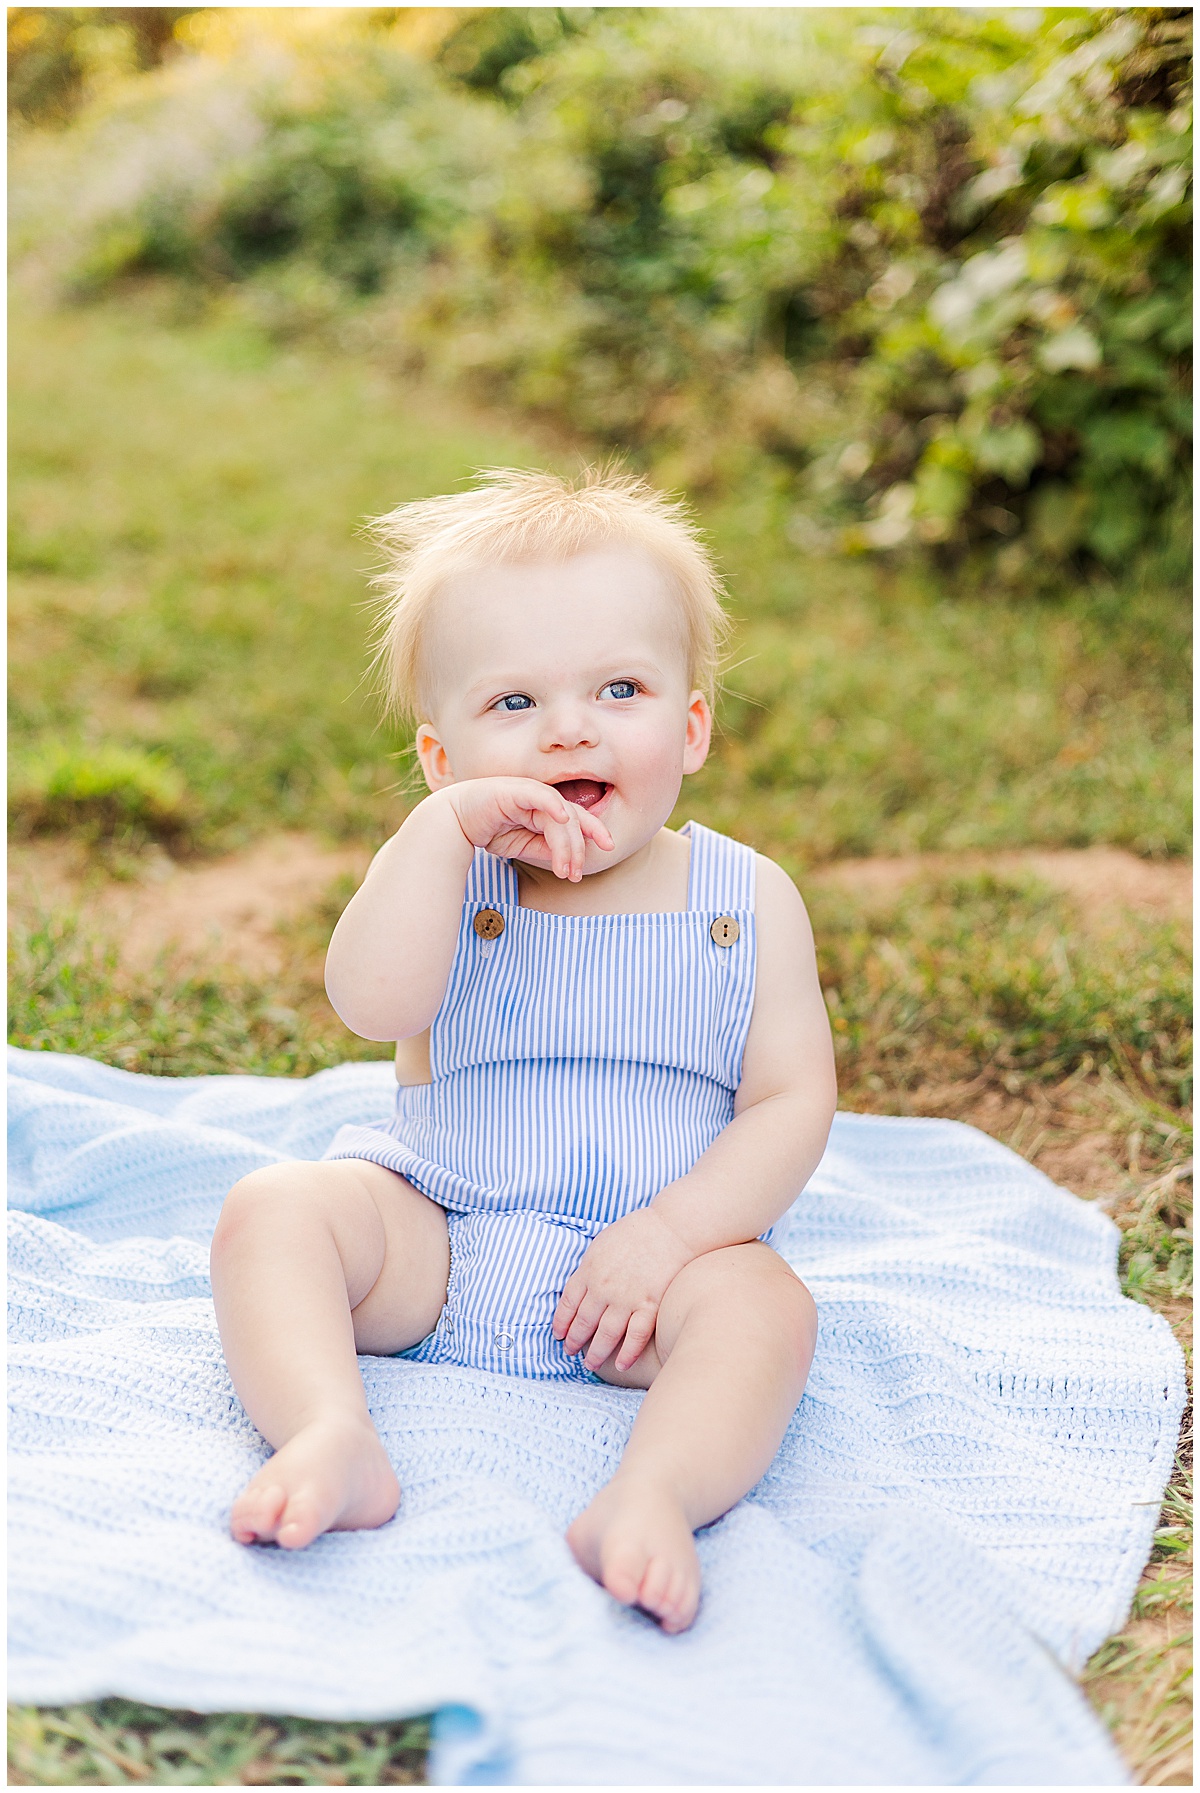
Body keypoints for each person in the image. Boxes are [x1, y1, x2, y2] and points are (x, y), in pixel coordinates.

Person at [210, 467, 837, 1633]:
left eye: (619, 687)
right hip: (440, 1238)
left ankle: (652, 1491)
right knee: (274, 1209)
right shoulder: (455, 878)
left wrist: (677, 1233)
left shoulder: (745, 899)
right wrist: (436, 841)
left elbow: (791, 1101)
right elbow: (367, 999)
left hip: (651, 1277)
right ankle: (329, 1430)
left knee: (766, 1311)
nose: (570, 727)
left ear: (690, 726)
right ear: (442, 760)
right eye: (514, 704)